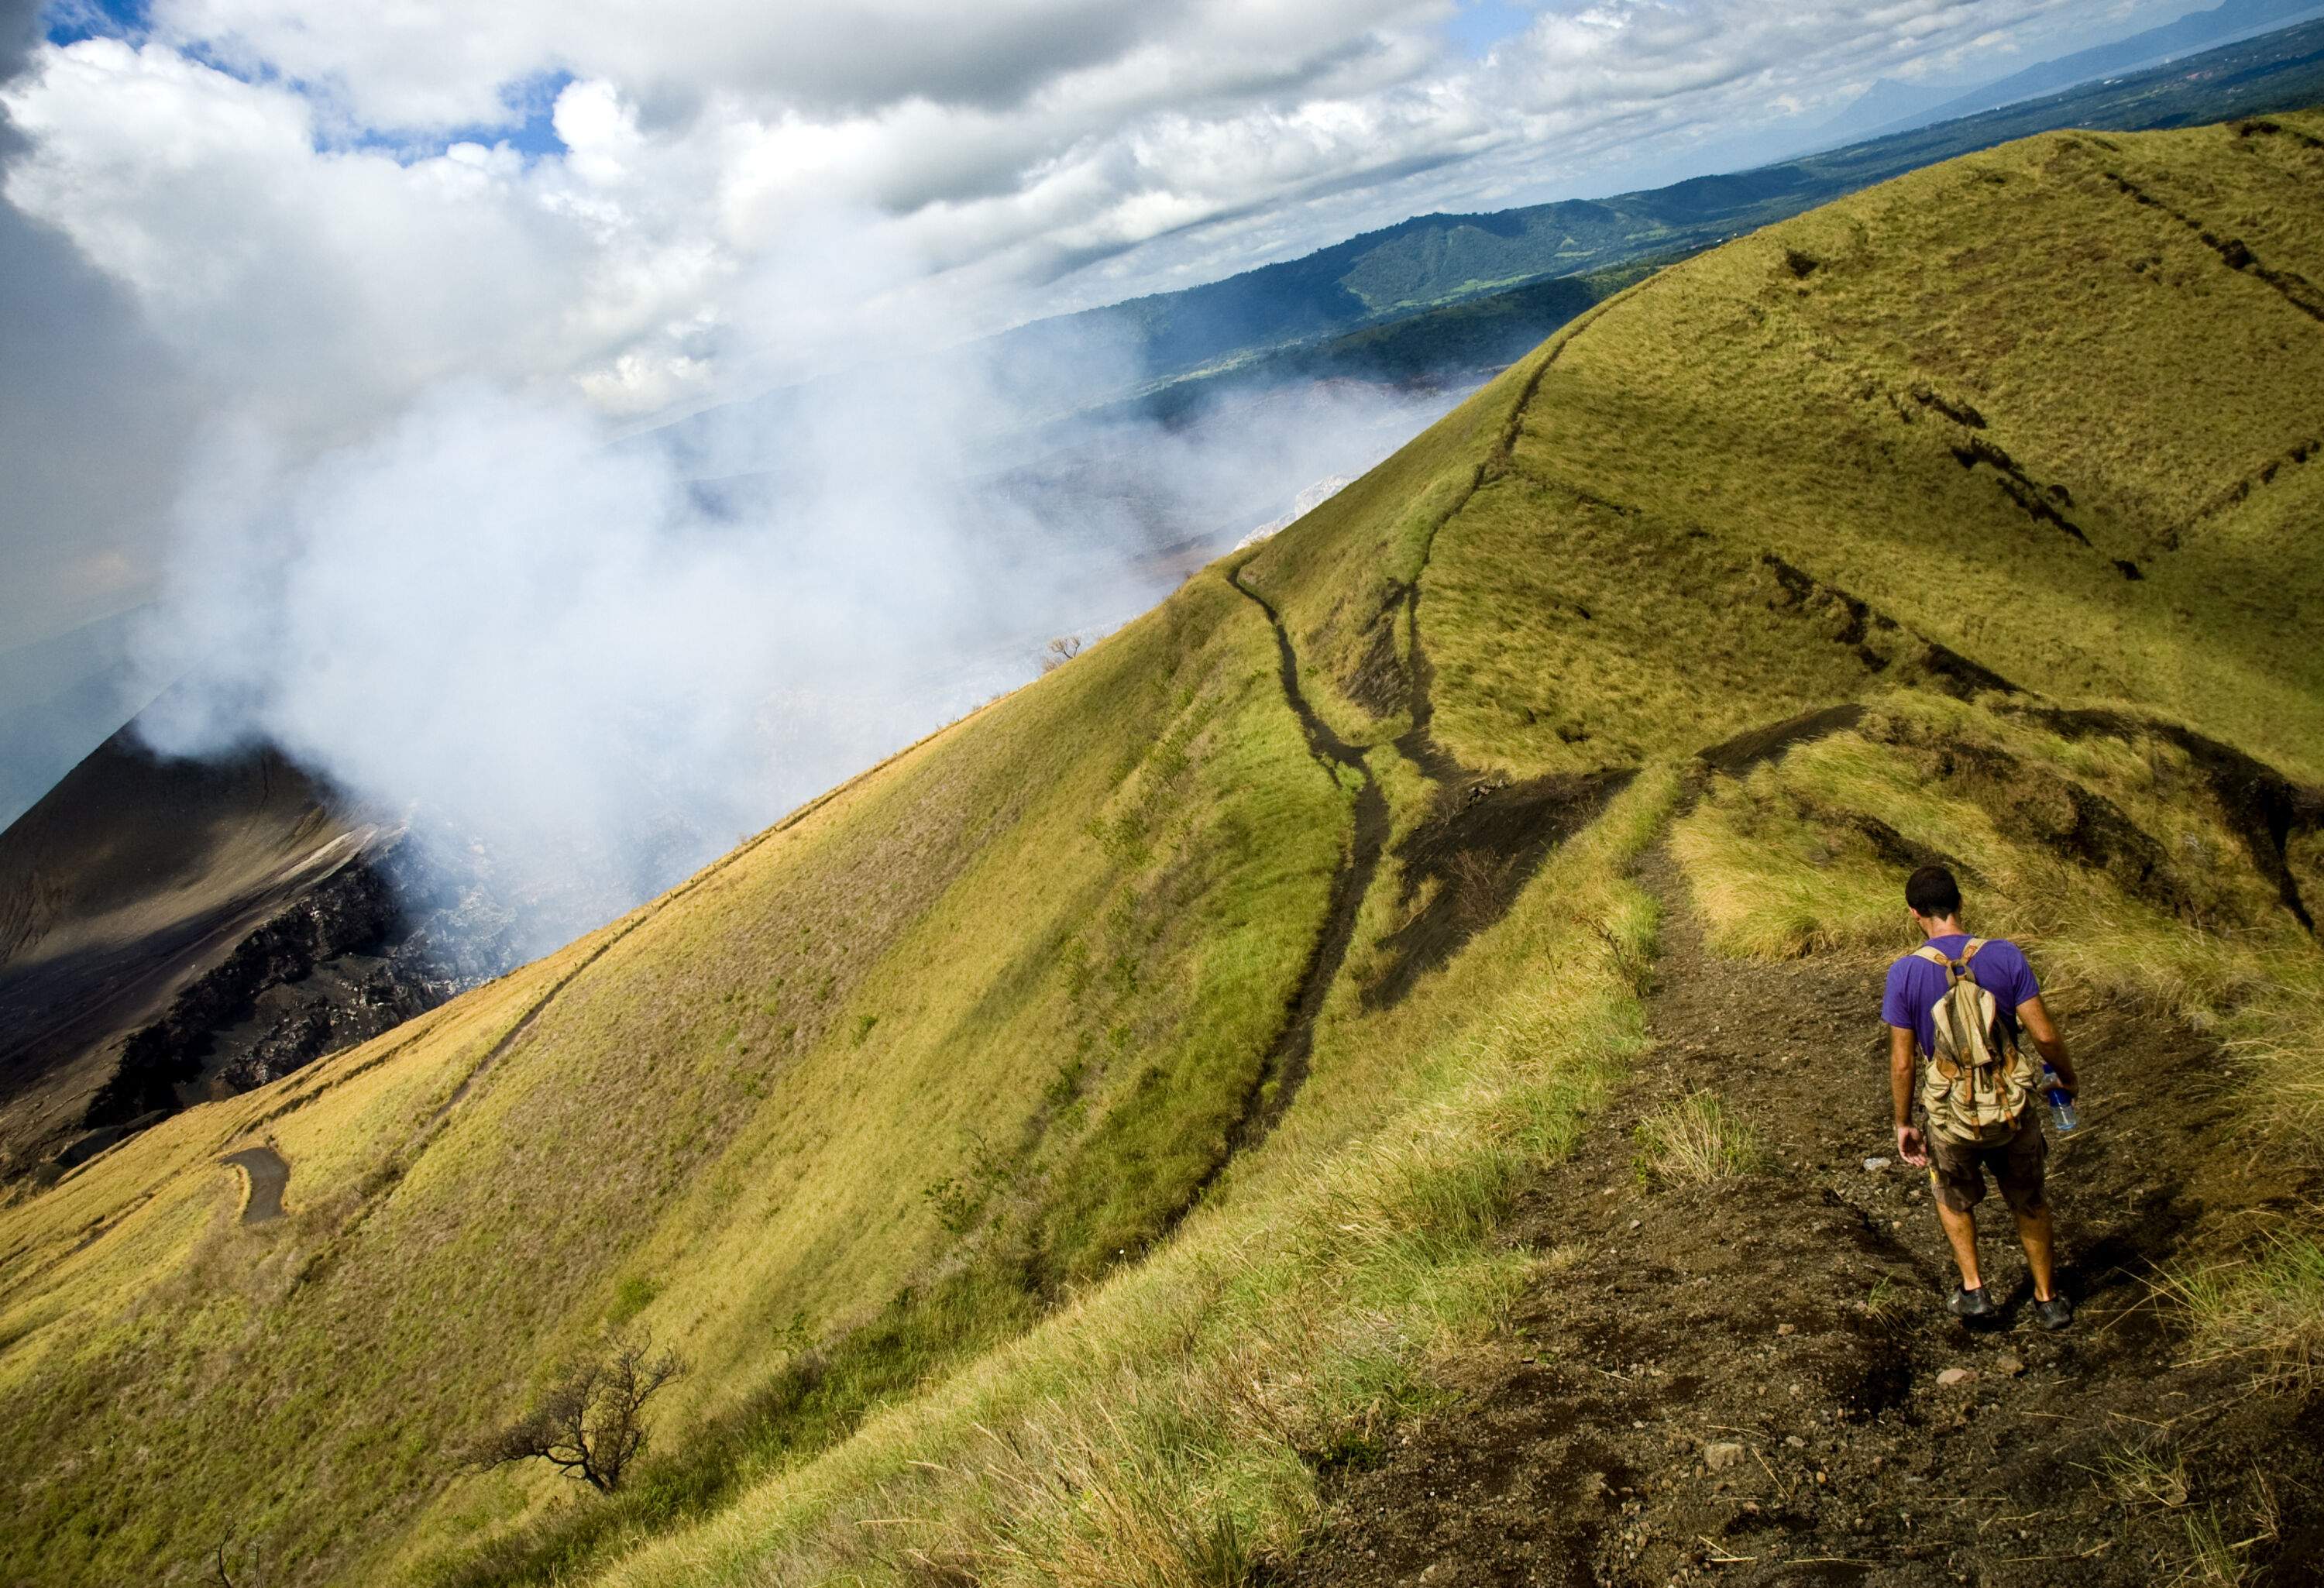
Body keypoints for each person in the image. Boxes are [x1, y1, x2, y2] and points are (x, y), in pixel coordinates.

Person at [1882, 864, 2078, 1329]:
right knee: (2029, 1198)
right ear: (1960, 903)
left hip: (1951, 1113)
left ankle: (1975, 1290)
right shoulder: (2006, 956)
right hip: (2011, 1105)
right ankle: (2047, 1299)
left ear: (1914, 914)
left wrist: (1903, 1121)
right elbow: (2045, 1035)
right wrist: (2066, 1076)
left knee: (1952, 1197)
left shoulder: (1905, 972)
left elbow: (1903, 1062)